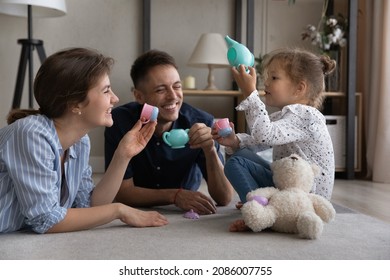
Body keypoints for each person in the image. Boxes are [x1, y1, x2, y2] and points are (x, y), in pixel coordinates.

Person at [0, 48, 168, 234]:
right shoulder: (31, 134)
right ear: (75, 104)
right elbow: (46, 219)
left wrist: (123, 155)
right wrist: (118, 210)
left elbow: (89, 205)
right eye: (106, 91)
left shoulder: (80, 142)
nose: (115, 98)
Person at [104, 50, 233, 215]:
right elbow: (122, 193)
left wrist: (210, 150)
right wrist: (175, 196)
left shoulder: (201, 122)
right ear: (139, 96)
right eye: (160, 90)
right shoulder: (119, 122)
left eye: (177, 86)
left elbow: (225, 198)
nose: (173, 96)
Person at [213, 48, 336, 211]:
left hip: (304, 198)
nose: (267, 83)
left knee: (235, 163)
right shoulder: (288, 115)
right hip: (289, 186)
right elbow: (259, 140)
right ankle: (261, 201)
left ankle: (260, 210)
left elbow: (265, 135)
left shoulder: (305, 115)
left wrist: (250, 93)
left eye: (274, 77)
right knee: (240, 154)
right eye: (267, 77)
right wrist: (235, 141)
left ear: (299, 88)